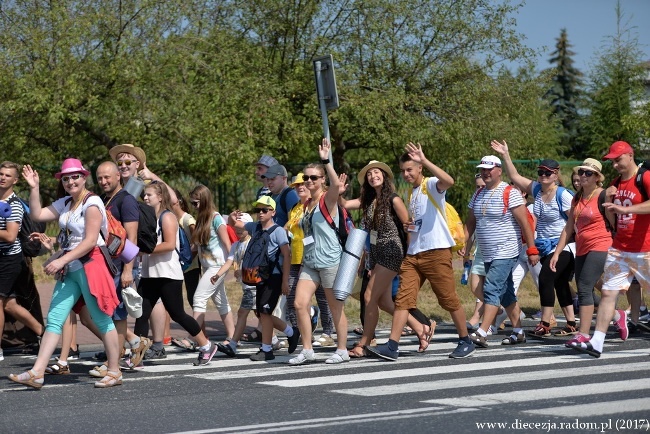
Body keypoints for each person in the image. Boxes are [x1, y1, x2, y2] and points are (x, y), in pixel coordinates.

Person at [10, 159, 122, 388]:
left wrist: (60, 259)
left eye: (75, 177)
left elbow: (91, 241)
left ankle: (115, 370)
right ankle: (37, 372)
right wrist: (34, 187)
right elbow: (37, 214)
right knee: (55, 319)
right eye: (66, 178)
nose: (71, 181)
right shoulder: (67, 202)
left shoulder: (92, 202)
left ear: (84, 178)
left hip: (92, 264)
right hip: (71, 267)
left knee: (101, 319)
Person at [366, 143, 475, 360]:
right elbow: (418, 222)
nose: (406, 174)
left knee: (448, 299)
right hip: (414, 254)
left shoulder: (431, 184)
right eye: (403, 171)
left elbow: (449, 181)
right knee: (403, 300)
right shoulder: (413, 193)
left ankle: (466, 340)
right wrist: (410, 227)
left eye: (410, 170)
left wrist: (424, 160)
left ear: (419, 169)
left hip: (436, 252)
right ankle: (392, 346)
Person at [341, 159, 434, 357]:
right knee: (384, 302)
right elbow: (344, 204)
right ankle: (421, 329)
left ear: (384, 176)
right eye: (369, 174)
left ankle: (364, 344)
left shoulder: (393, 199)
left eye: (377, 172)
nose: (373, 176)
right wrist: (338, 190)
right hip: (376, 254)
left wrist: (408, 255)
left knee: (369, 296)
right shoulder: (368, 201)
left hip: (392, 251)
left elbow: (408, 227)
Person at [571, 141, 650, 357]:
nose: (614, 165)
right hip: (620, 249)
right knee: (607, 292)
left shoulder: (644, 177)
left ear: (630, 156)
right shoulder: (615, 184)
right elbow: (612, 218)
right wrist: (610, 204)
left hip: (645, 249)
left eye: (618, 160)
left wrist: (626, 207)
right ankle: (597, 341)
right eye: (612, 161)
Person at [491, 140, 576, 337]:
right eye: (540, 172)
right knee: (560, 282)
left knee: (546, 278)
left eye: (548, 173)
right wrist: (506, 154)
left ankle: (545, 323)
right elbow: (514, 176)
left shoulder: (562, 195)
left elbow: (574, 222)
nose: (543, 176)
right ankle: (571, 323)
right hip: (545, 246)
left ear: (556, 174)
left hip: (564, 245)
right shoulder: (537, 190)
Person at [133, 181, 218, 365]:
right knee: (141, 313)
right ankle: (135, 355)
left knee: (178, 313)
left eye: (149, 195)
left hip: (168, 274)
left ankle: (206, 345)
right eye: (144, 195)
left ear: (161, 197)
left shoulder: (167, 217)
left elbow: (170, 245)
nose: (145, 198)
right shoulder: (148, 217)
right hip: (149, 273)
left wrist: (144, 250)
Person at [465, 154, 538, 349]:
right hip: (487, 252)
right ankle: (518, 331)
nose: (485, 173)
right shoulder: (478, 194)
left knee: (491, 288)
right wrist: (464, 247)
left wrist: (532, 249)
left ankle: (482, 332)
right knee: (506, 293)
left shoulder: (510, 192)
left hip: (506, 251)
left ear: (499, 170)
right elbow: (470, 223)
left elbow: (525, 224)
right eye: (483, 169)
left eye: (489, 169)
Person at [289, 139, 349, 365]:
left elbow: (336, 186)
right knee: (299, 303)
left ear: (322, 180)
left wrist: (326, 160)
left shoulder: (327, 200)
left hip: (331, 260)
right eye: (306, 177)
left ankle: (342, 349)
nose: (309, 181)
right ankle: (307, 349)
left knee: (335, 306)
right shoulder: (305, 205)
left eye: (314, 177)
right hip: (310, 261)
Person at [549, 158, 612, 346]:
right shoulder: (577, 197)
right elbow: (569, 228)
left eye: (588, 173)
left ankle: (583, 334)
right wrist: (557, 253)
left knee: (584, 286)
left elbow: (613, 223)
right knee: (586, 288)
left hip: (601, 244)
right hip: (582, 247)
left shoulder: (602, 195)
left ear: (597, 178)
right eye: (582, 172)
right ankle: (618, 315)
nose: (583, 175)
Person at [229, 196, 299, 361]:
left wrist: (285, 281)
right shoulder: (255, 227)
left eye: (264, 210)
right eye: (258, 210)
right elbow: (236, 225)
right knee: (262, 312)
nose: (260, 213)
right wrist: (232, 219)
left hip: (274, 277)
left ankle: (267, 349)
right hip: (259, 277)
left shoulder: (278, 231)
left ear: (273, 212)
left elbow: (287, 256)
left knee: (265, 312)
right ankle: (291, 332)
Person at [0, 161, 45, 362]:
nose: (2, 178)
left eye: (8, 176)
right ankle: (41, 331)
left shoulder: (14, 205)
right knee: (9, 305)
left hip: (10, 260)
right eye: (1, 174)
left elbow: (10, 236)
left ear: (15, 180)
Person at [284, 173, 334, 346]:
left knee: (323, 297)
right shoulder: (295, 207)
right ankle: (299, 331)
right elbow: (288, 226)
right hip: (295, 258)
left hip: (315, 257)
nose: (300, 187)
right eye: (297, 186)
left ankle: (328, 333)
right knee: (292, 297)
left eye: (302, 184)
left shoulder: (316, 204)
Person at [188, 185, 235, 340]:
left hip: (217, 266)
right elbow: (195, 246)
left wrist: (231, 266)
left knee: (199, 298)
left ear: (204, 200)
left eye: (196, 203)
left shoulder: (216, 218)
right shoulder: (201, 219)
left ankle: (196, 337)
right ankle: (233, 337)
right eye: (192, 203)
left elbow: (228, 245)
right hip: (208, 266)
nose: (194, 207)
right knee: (221, 301)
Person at [215, 213, 257, 356]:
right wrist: (218, 274)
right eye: (236, 229)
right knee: (263, 316)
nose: (238, 231)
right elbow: (228, 261)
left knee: (242, 313)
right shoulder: (235, 245)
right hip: (246, 285)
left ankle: (232, 344)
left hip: (254, 286)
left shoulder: (253, 241)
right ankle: (282, 336)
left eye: (241, 228)